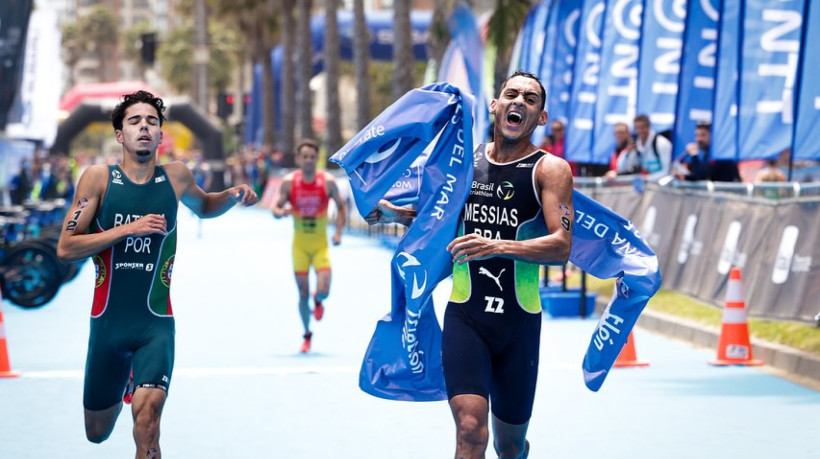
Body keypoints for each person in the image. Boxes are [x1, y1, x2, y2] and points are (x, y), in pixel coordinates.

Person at [366, 71, 573, 459]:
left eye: (530, 100)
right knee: (470, 429)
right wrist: (394, 213)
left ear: (541, 118)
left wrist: (497, 245)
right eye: (511, 94)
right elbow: (438, 218)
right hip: (467, 317)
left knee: (509, 446)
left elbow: (561, 245)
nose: (519, 102)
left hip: (519, 324)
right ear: (495, 106)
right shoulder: (465, 163)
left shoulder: (550, 170)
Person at [56, 90, 258, 458]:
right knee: (96, 432)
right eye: (134, 121)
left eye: (152, 121)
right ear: (120, 135)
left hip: (155, 324)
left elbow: (205, 206)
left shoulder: (177, 177)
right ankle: (124, 381)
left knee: (147, 421)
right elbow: (66, 247)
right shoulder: (98, 179)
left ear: (161, 135)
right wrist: (126, 229)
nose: (144, 127)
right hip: (108, 327)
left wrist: (230, 194)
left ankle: (140, 383)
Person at [272, 139, 347, 353]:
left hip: (321, 245)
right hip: (300, 247)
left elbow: (342, 208)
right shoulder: (289, 183)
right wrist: (282, 212)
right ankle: (306, 334)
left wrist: (339, 233)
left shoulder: (327, 182)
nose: (308, 161)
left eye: (312, 157)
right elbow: (275, 209)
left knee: (324, 290)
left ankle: (319, 299)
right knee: (302, 293)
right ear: (298, 159)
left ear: (317, 159)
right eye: (304, 156)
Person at [675, 121, 740, 182]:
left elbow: (701, 175)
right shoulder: (707, 154)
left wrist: (694, 155)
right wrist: (684, 177)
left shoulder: (718, 153)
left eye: (703, 135)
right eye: (697, 136)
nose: (699, 139)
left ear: (712, 135)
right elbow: (698, 176)